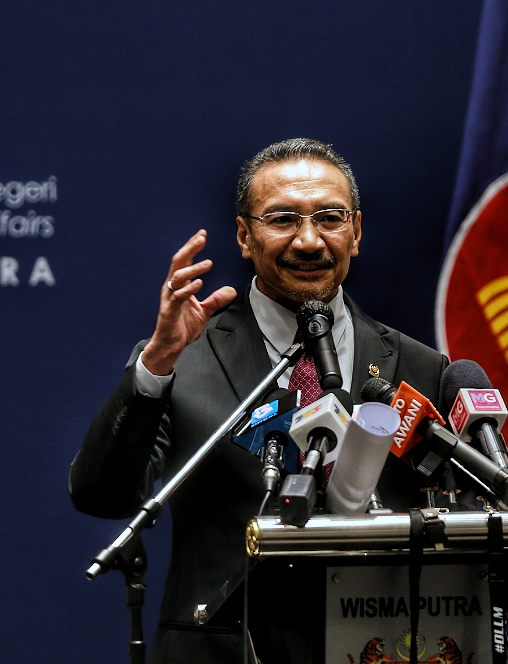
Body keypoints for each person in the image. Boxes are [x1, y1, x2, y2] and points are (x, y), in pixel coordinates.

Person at [70, 138, 453, 663]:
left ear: (356, 232)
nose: (310, 240)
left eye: (330, 217)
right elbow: (102, 495)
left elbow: (449, 518)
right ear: (244, 237)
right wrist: (157, 364)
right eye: (282, 220)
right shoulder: (184, 360)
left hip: (376, 648)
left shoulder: (420, 367)